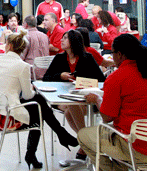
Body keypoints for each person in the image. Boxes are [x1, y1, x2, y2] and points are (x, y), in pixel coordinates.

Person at [79, 34, 147, 171]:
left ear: (120, 54)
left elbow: (107, 117)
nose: (112, 57)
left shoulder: (116, 78)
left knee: (85, 136)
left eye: (112, 53)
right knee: (116, 134)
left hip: (136, 146)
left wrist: (98, 99)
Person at [0, 30, 79, 170]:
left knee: (39, 106)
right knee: (38, 105)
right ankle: (57, 137)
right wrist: (30, 88)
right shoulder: (22, 66)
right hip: (9, 118)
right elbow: (27, 96)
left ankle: (58, 137)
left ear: (8, 46)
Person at [43, 29, 106, 159]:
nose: (61, 40)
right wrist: (60, 75)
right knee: (69, 107)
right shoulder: (60, 58)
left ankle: (84, 143)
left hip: (87, 99)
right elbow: (46, 78)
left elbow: (101, 80)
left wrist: (82, 81)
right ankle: (87, 142)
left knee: (69, 108)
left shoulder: (87, 58)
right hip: (64, 98)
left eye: (65, 38)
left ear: (73, 41)